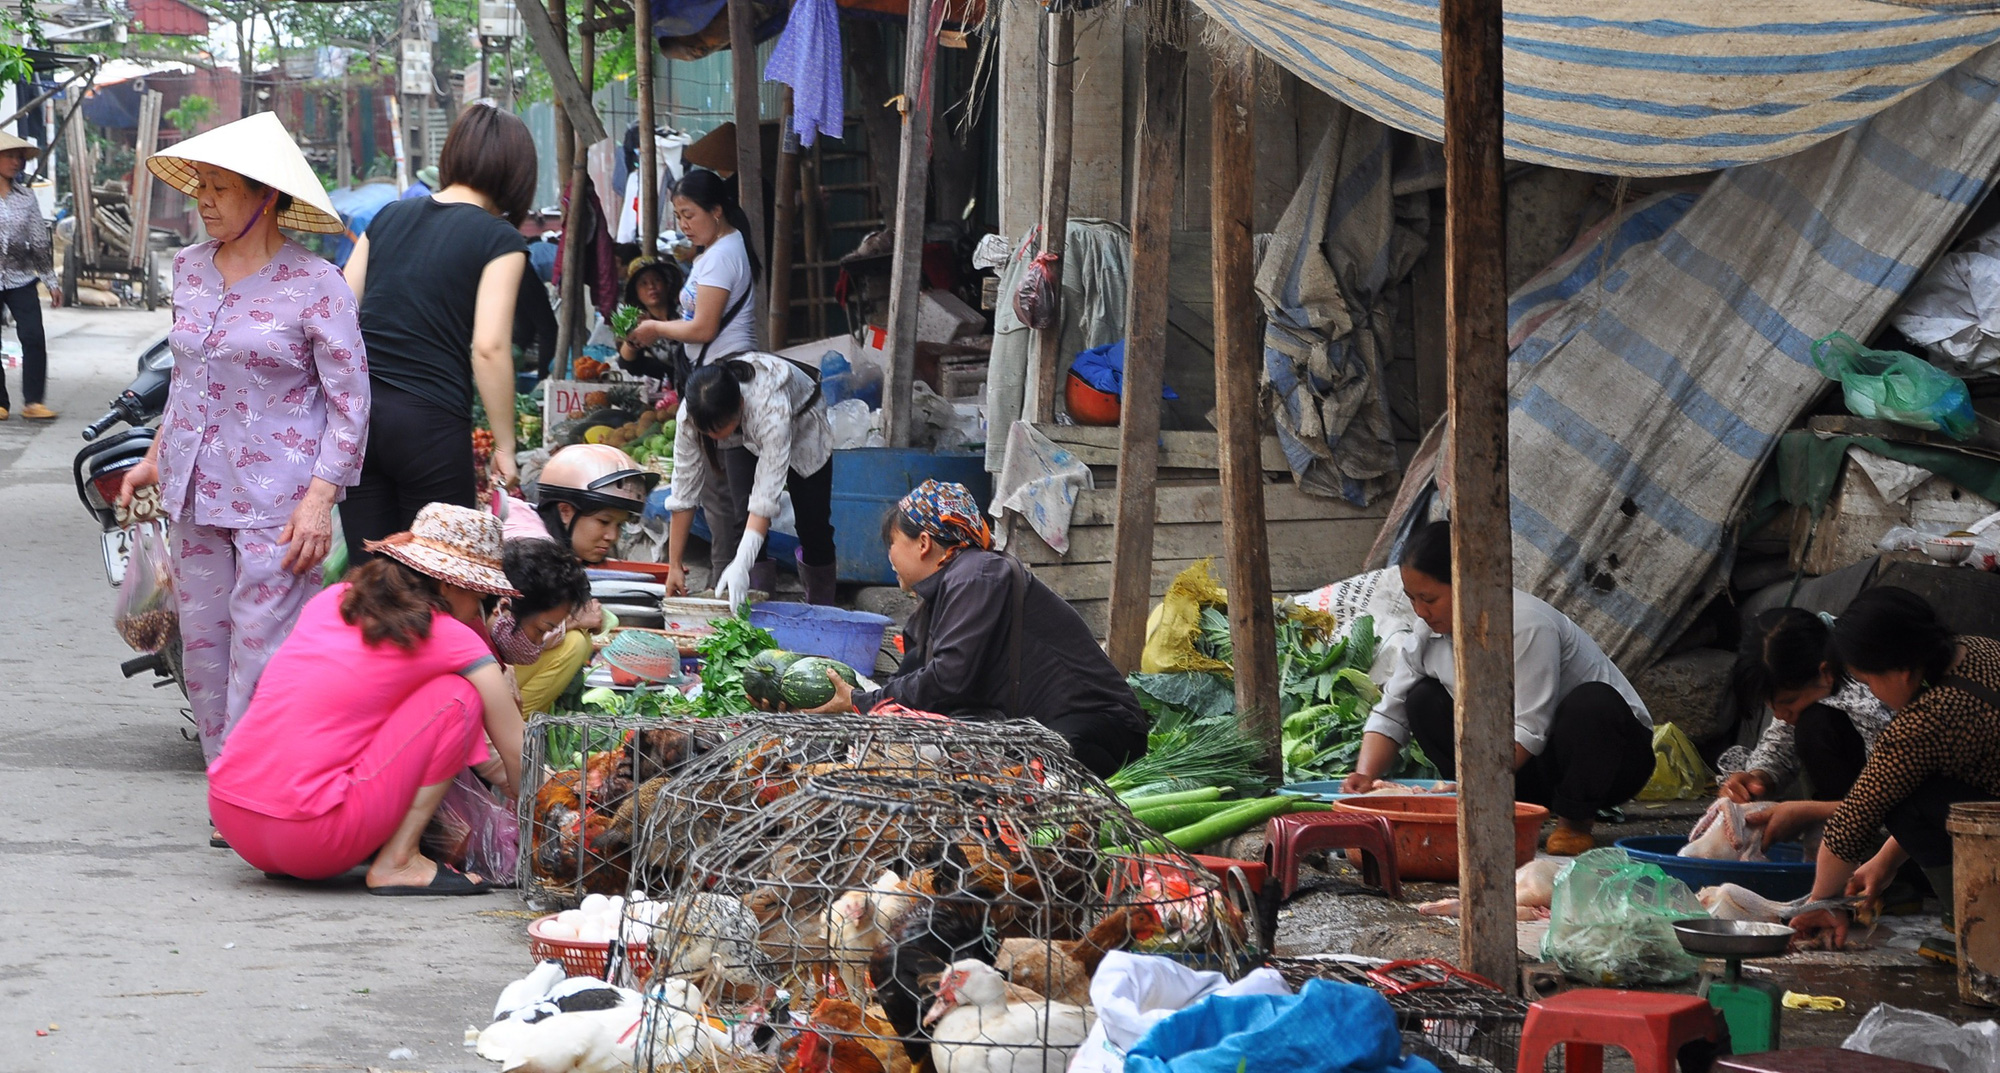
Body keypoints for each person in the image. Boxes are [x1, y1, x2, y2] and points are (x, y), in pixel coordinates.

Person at [120, 112, 369, 768]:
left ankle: (256, 786)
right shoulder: (188, 268)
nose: (203, 199)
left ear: (267, 197)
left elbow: (351, 404)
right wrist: (153, 458)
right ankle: (228, 791)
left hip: (280, 504)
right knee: (202, 650)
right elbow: (186, 376)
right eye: (199, 184)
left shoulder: (319, 285)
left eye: (221, 187)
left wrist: (321, 499)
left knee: (263, 649)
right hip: (194, 492)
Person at [206, 504, 523, 894]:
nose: (478, 611)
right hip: (312, 838)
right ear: (449, 585)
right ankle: (399, 860)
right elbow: (518, 750)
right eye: (479, 597)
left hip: (233, 816)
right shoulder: (453, 637)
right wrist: (540, 813)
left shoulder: (333, 599)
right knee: (458, 698)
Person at [1341, 521, 1656, 855]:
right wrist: (1364, 775)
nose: (1420, 611)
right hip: (1520, 768)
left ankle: (1574, 824)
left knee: (1593, 703)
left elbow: (1529, 727)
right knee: (1422, 700)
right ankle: (1484, 810)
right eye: (1412, 599)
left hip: (1606, 761)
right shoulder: (1425, 636)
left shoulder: (1525, 625)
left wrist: (1471, 782)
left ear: (1467, 583)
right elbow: (1392, 711)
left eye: (1429, 598)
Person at [797, 480, 1148, 778]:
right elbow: (913, 679)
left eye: (892, 542)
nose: (889, 556)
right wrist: (854, 704)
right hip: (1038, 728)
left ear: (923, 544)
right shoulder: (942, 598)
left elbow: (949, 677)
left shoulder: (977, 575)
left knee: (1041, 765)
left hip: (1102, 730)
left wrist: (861, 702)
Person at [343, 100, 534, 557]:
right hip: (429, 425)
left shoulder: (387, 217)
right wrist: (505, 447)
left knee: (370, 580)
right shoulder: (501, 239)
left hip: (361, 418)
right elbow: (488, 347)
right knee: (438, 579)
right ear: (517, 174)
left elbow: (340, 314)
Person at [1791, 587, 2000, 948]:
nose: (1871, 692)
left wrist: (1823, 903)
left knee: (1900, 797)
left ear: (1902, 670)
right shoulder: (1979, 649)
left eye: (1870, 681)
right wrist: (1885, 862)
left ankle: (1981, 931)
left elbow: (1852, 822)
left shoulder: (1925, 723)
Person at [625, 169, 761, 585]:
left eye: (690, 215)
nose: (684, 225)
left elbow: (702, 328)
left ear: (716, 211)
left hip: (724, 381)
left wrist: (655, 329)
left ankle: (730, 587)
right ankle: (732, 583)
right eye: (678, 217)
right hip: (714, 377)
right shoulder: (718, 249)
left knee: (725, 497)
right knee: (722, 494)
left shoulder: (722, 255)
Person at [494, 443, 657, 714]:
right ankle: (511, 729)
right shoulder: (530, 548)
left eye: (618, 525)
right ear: (566, 511)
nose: (612, 536)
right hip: (478, 679)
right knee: (575, 643)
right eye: (604, 522)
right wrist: (571, 622)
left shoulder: (529, 521)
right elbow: (505, 632)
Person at [661, 356, 836, 607]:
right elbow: (683, 492)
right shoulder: (692, 414)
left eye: (717, 430)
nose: (712, 438)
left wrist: (740, 564)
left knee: (812, 524)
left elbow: (765, 498)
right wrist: (674, 565)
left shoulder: (769, 408)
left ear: (740, 405)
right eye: (706, 432)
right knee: (742, 516)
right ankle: (756, 605)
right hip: (742, 429)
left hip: (802, 419)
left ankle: (821, 610)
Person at [1721, 607, 1894, 846]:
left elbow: (1896, 797)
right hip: (1871, 803)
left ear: (1826, 673)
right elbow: (1780, 743)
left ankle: (1865, 851)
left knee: (1815, 723)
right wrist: (1757, 779)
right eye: (1772, 707)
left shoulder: (1875, 690)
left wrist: (1809, 812)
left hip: (1913, 821)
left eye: (1789, 702)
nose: (1781, 715)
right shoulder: (1809, 673)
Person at [0, 130, 53, 420]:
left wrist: (51, 280)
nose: (16, 161)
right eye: (9, 155)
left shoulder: (26, 198)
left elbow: (39, 242)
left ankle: (33, 402)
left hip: (20, 277)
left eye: (19, 156)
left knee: (33, 335)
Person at [615, 258, 685, 379]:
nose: (651, 286)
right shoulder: (638, 322)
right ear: (636, 292)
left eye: (657, 280)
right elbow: (627, 365)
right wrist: (633, 338)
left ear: (666, 285)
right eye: (644, 283)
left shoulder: (684, 312)